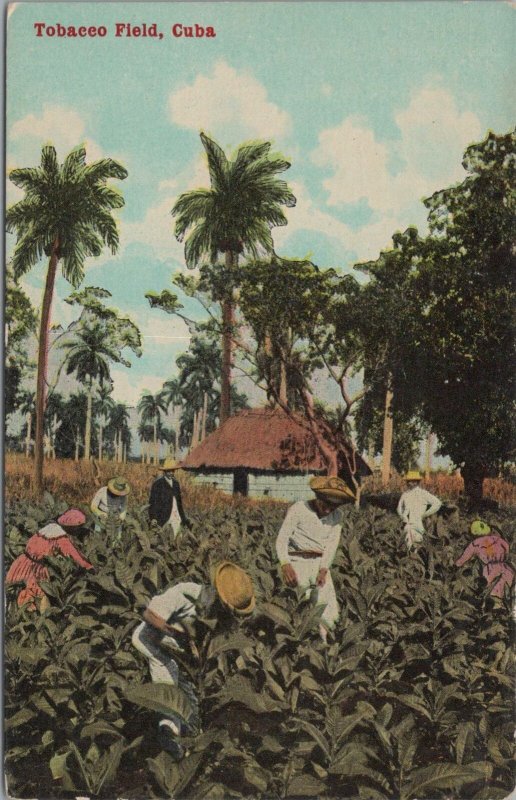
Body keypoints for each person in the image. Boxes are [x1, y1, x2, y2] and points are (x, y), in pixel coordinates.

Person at [132, 561, 255, 760]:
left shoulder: (220, 615)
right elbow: (149, 614)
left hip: (181, 655)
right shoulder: (186, 593)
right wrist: (179, 634)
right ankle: (171, 747)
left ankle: (190, 744)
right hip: (152, 642)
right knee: (170, 695)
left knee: (189, 695)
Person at [276, 475, 355, 641]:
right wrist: (285, 564)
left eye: (333, 507)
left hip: (320, 564)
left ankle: (326, 649)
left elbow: (331, 545)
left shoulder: (337, 516)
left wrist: (324, 569)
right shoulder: (299, 509)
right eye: (325, 504)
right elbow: (282, 539)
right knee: (300, 610)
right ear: (318, 497)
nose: (328, 510)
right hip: (297, 562)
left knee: (329, 611)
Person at [6, 509, 93, 611]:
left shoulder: (47, 530)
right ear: (71, 527)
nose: (78, 530)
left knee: (16, 589)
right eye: (78, 528)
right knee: (37, 595)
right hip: (36, 568)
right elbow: (75, 555)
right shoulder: (61, 538)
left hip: (22, 562)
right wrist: (89, 567)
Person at [456, 520, 514, 600]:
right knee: (508, 585)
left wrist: (458, 564)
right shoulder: (497, 539)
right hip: (504, 566)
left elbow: (465, 556)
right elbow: (506, 548)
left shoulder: (475, 543)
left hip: (490, 569)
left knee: (492, 590)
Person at [397, 470, 442, 550]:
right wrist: (402, 516)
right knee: (407, 544)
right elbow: (399, 508)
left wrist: (425, 514)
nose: (407, 483)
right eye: (407, 481)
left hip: (418, 524)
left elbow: (437, 503)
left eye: (410, 481)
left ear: (415, 482)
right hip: (406, 524)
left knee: (415, 545)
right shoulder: (405, 494)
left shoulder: (423, 493)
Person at [148, 458, 190, 535]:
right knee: (163, 538)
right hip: (163, 516)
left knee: (177, 537)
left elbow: (179, 502)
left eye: (173, 471)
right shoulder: (158, 484)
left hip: (176, 515)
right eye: (169, 471)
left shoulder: (176, 484)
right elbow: (153, 502)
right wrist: (153, 517)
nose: (171, 473)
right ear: (165, 471)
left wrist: (183, 517)